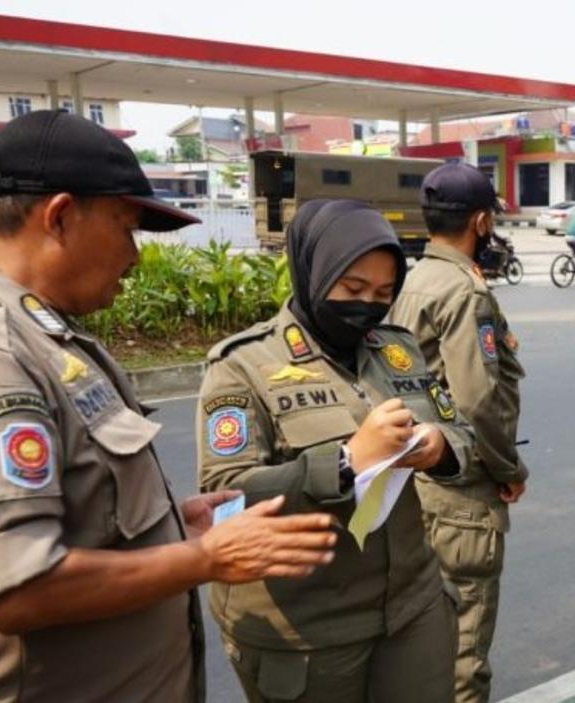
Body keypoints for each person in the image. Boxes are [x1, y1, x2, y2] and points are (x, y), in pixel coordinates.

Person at [0, 110, 337, 702]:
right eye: (125, 226)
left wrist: (166, 526)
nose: (134, 257)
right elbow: (17, 587)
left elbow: (76, 509)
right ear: (58, 217)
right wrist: (204, 558)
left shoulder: (45, 333)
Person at [197, 198, 476, 703]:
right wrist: (346, 462)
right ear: (311, 271)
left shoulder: (397, 348)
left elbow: (459, 430)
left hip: (410, 607)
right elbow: (223, 498)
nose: (367, 304)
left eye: (383, 292)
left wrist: (439, 447)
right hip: (307, 627)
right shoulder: (242, 365)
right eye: (352, 288)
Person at [389, 163, 529, 703]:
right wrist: (509, 469)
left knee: (418, 640)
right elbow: (478, 399)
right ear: (481, 220)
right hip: (458, 488)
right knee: (463, 653)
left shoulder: (410, 280)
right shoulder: (463, 292)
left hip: (410, 479)